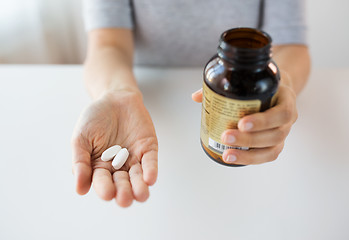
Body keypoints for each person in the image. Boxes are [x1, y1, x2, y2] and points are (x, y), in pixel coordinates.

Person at [71, 0, 311, 207]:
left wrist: (282, 84)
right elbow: (107, 45)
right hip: (151, 106)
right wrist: (117, 92)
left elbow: (291, 45)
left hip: (247, 152)